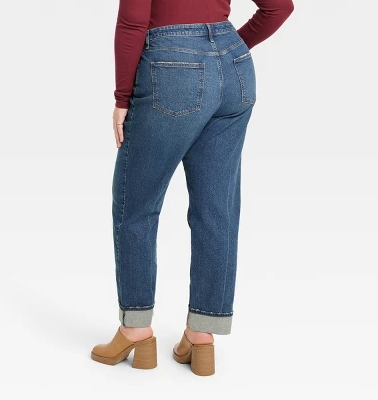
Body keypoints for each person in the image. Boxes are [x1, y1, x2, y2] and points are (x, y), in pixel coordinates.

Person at [91, 0, 294, 376]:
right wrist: (225, 52)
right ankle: (202, 334)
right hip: (235, 67)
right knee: (217, 208)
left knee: (136, 203)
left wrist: (122, 98)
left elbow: (133, 22)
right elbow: (279, 7)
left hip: (173, 68)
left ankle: (135, 329)